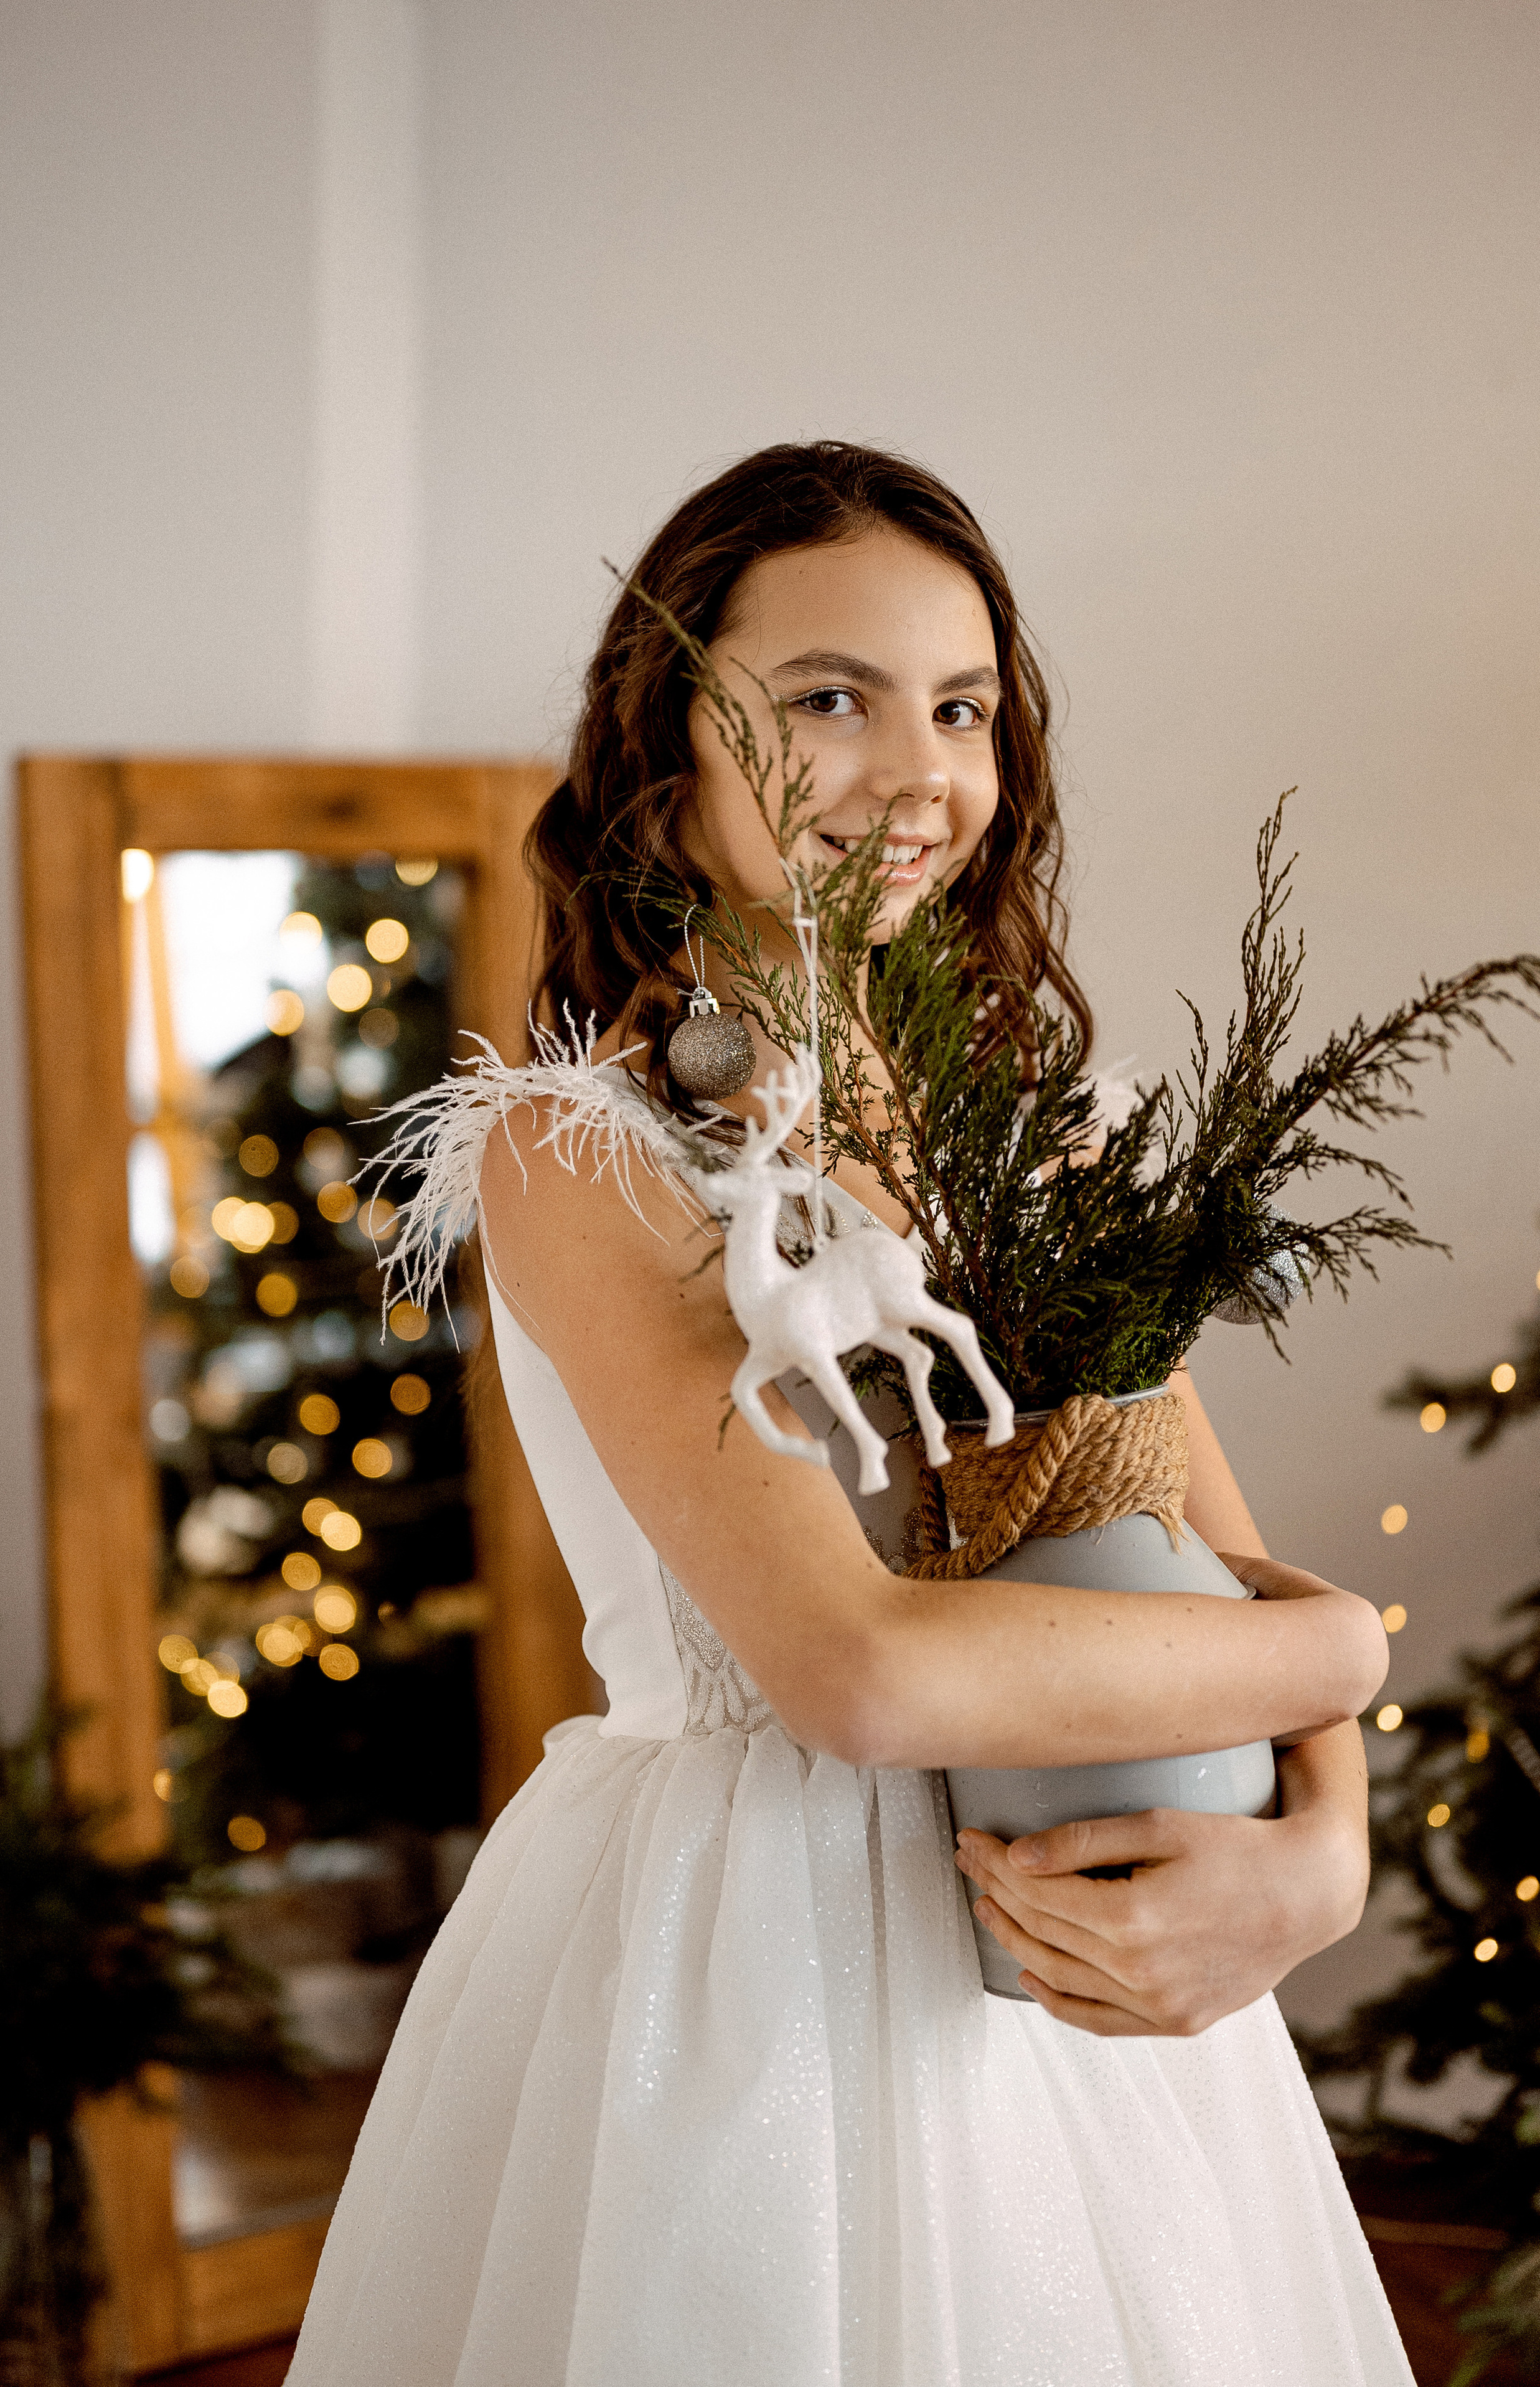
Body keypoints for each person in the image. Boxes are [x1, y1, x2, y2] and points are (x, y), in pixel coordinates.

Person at [287, 443, 1411, 2385]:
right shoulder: (585, 1150)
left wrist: (1329, 1854)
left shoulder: (1054, 1140)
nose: (917, 777)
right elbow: (861, 1674)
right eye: (832, 698)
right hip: (745, 1987)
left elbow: (1196, 1570)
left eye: (961, 709)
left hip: (1080, 1954)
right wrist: (1351, 1643)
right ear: (675, 736)